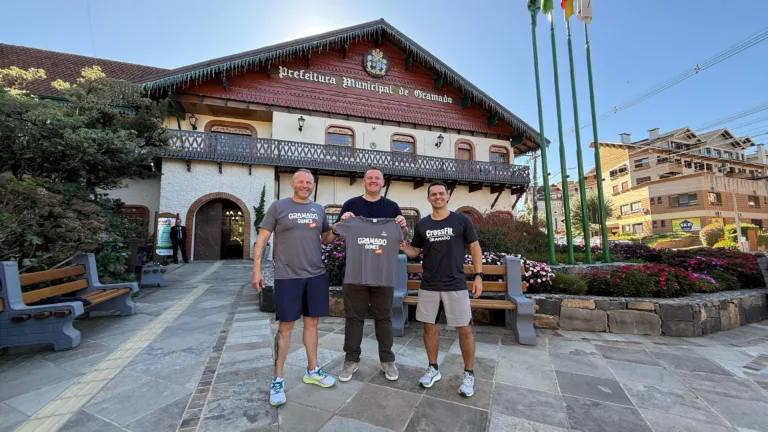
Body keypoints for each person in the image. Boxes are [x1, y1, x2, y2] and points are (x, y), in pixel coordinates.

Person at [252, 169, 337, 407]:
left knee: (312, 324)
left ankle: (312, 370)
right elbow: (262, 239)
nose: (305, 185)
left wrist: (337, 229)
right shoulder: (278, 207)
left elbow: (326, 238)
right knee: (285, 327)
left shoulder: (319, 209)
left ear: (313, 185)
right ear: (292, 184)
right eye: (300, 182)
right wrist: (256, 270)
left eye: (308, 182)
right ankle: (277, 379)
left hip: (316, 275)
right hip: (287, 276)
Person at [401, 182, 483, 397]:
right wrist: (404, 248)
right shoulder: (422, 224)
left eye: (441, 193)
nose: (437, 197)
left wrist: (478, 276)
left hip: (455, 283)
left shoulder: (461, 220)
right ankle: (433, 368)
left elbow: (474, 247)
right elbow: (415, 251)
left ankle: (468, 373)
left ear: (447, 197)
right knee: (429, 328)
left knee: (463, 329)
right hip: (429, 284)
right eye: (433, 194)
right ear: (428, 199)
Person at [331, 166, 408, 382]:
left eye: (377, 178)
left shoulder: (392, 207)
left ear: (382, 182)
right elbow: (336, 231)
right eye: (369, 178)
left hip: (383, 276)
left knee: (384, 318)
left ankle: (387, 359)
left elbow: (402, 237)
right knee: (353, 319)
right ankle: (351, 359)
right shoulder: (351, 205)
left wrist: (402, 226)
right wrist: (341, 222)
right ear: (363, 181)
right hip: (355, 275)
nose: (373, 181)